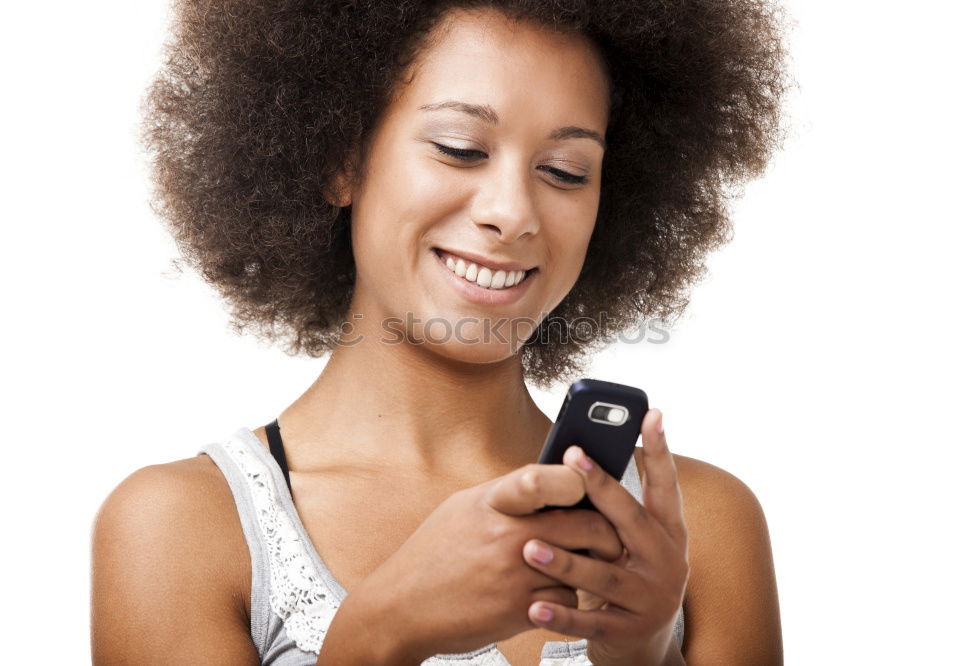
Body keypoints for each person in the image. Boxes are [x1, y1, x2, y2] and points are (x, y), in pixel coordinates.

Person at [91, 1, 788, 663]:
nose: (513, 212)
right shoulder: (178, 528)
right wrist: (379, 633)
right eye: (459, 149)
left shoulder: (704, 529)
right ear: (342, 157)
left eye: (564, 171)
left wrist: (645, 658)